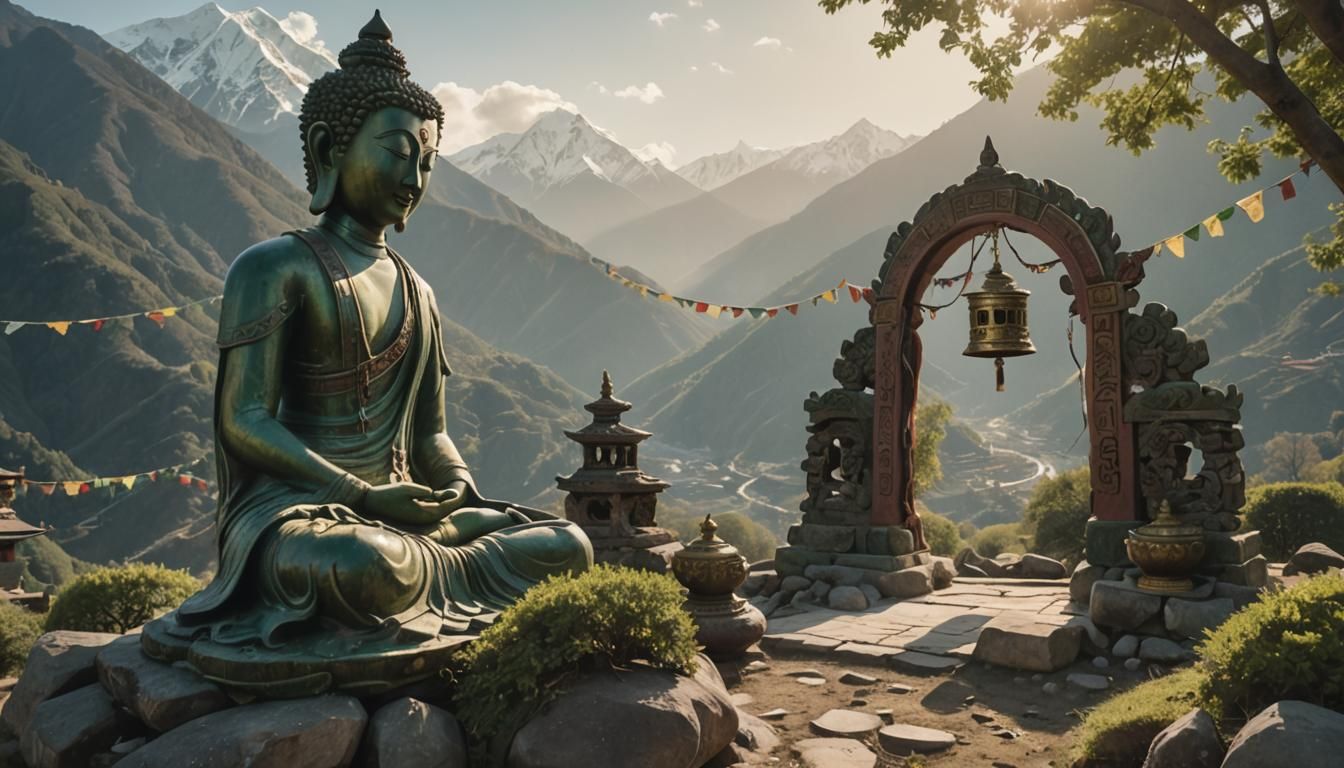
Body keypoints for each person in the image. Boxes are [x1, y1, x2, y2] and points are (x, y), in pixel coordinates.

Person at [142, 11, 592, 692]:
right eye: (397, 150)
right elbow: (245, 420)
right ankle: (424, 587)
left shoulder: (420, 291)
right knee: (369, 566)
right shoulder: (274, 268)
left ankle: (429, 579)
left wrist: (454, 489)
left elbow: (431, 433)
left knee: (568, 545)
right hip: (298, 517)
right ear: (328, 151)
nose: (415, 173)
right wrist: (359, 495)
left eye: (429, 161)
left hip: (405, 517)